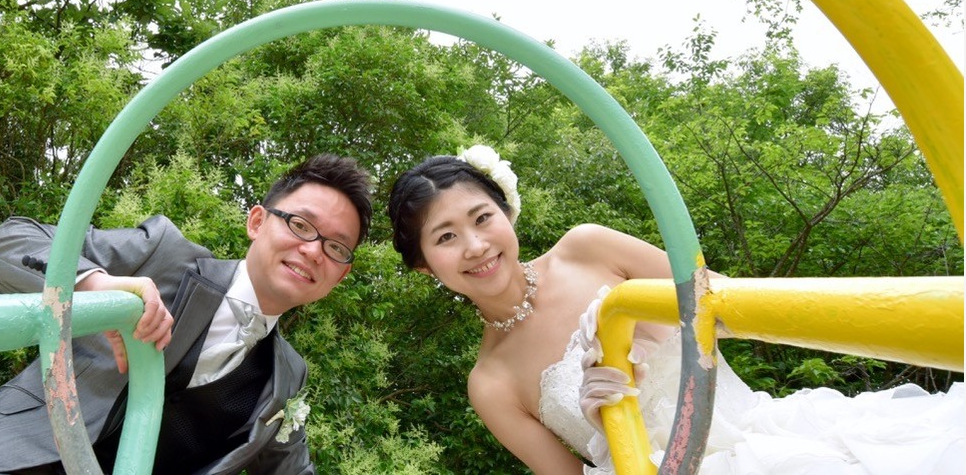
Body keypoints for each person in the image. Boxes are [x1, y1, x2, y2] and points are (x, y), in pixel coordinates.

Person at [387, 146, 964, 475]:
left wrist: (651, 326)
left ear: (505, 213)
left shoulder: (587, 246)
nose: (476, 246)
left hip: (769, 438)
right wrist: (606, 427)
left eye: (482, 218)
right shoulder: (490, 382)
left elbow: (730, 301)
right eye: (445, 237)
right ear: (424, 266)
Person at [0, 153, 373, 475]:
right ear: (257, 222)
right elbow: (1, 245)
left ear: (341, 275)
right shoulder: (163, 255)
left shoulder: (287, 376)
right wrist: (98, 288)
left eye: (335, 247)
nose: (313, 250)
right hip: (12, 459)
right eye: (300, 224)